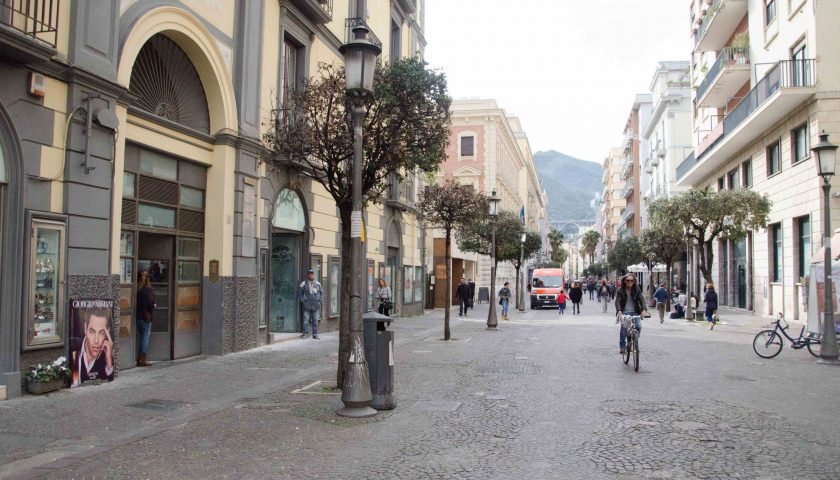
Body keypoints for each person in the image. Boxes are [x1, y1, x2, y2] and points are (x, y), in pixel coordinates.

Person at [75, 307, 115, 385]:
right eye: (92, 331)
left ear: (108, 332)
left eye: (101, 333)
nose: (96, 341)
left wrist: (109, 361)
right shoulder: (74, 347)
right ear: (85, 328)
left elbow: (109, 381)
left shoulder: (106, 355)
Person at [614, 273, 649, 355]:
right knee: (624, 329)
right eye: (628, 280)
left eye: (632, 280)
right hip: (624, 312)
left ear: (634, 281)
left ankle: (634, 341)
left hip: (635, 312)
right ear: (625, 281)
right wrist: (619, 311)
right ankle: (622, 346)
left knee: (639, 326)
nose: (630, 282)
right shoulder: (620, 290)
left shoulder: (637, 289)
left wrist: (644, 309)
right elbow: (618, 302)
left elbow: (642, 300)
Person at [135, 270, 155, 367]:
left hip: (138, 317)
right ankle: (142, 359)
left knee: (142, 336)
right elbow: (150, 304)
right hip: (146, 317)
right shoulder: (149, 290)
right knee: (145, 338)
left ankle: (139, 358)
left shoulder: (138, 289)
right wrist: (154, 305)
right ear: (149, 279)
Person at [298, 269, 324, 339]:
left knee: (315, 320)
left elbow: (321, 293)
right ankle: (305, 334)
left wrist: (319, 301)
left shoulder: (318, 284)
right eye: (309, 274)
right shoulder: (303, 283)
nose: (311, 275)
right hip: (307, 305)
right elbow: (300, 294)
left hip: (315, 306)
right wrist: (303, 301)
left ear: (313, 275)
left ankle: (315, 334)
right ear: (307, 275)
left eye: (312, 274)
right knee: (306, 320)